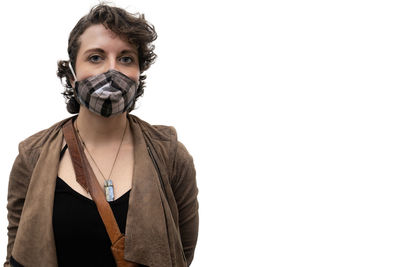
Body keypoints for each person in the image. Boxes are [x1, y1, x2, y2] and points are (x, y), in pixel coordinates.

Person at [4, 4, 198, 267]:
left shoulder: (170, 155)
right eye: (95, 57)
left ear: (139, 74)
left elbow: (180, 254)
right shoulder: (32, 157)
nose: (111, 70)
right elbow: (19, 254)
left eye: (126, 58)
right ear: (72, 76)